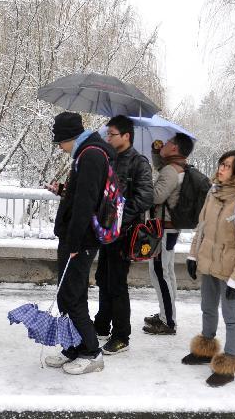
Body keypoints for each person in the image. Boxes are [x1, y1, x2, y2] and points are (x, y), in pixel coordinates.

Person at [43, 112, 114, 375]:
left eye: (59, 142)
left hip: (81, 240)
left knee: (73, 296)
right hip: (76, 238)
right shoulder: (85, 154)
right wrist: (63, 189)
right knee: (66, 294)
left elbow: (86, 204)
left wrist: (74, 241)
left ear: (69, 137)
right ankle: (73, 346)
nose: (59, 147)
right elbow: (81, 195)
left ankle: (92, 352)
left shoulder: (91, 155)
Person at [183, 150, 235, 388]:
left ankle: (228, 363)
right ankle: (205, 348)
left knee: (232, 316)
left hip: (230, 270)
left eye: (227, 166)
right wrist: (193, 255)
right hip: (209, 264)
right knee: (207, 307)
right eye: (221, 164)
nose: (221, 168)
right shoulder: (213, 193)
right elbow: (202, 228)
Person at [94, 114, 153, 354]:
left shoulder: (139, 162)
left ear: (126, 136)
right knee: (103, 278)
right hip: (106, 231)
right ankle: (101, 324)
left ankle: (121, 335)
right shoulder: (108, 158)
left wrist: (119, 216)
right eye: (107, 134)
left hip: (124, 232)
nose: (108, 137)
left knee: (117, 283)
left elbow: (146, 197)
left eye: (112, 134)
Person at [144, 132, 195, 336]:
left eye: (168, 142)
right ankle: (168, 314)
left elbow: (156, 196)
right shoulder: (179, 167)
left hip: (163, 229)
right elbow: (163, 172)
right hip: (172, 227)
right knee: (167, 273)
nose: (163, 143)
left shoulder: (170, 171)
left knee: (159, 273)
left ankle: (168, 321)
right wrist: (156, 153)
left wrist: (142, 182)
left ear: (174, 148)